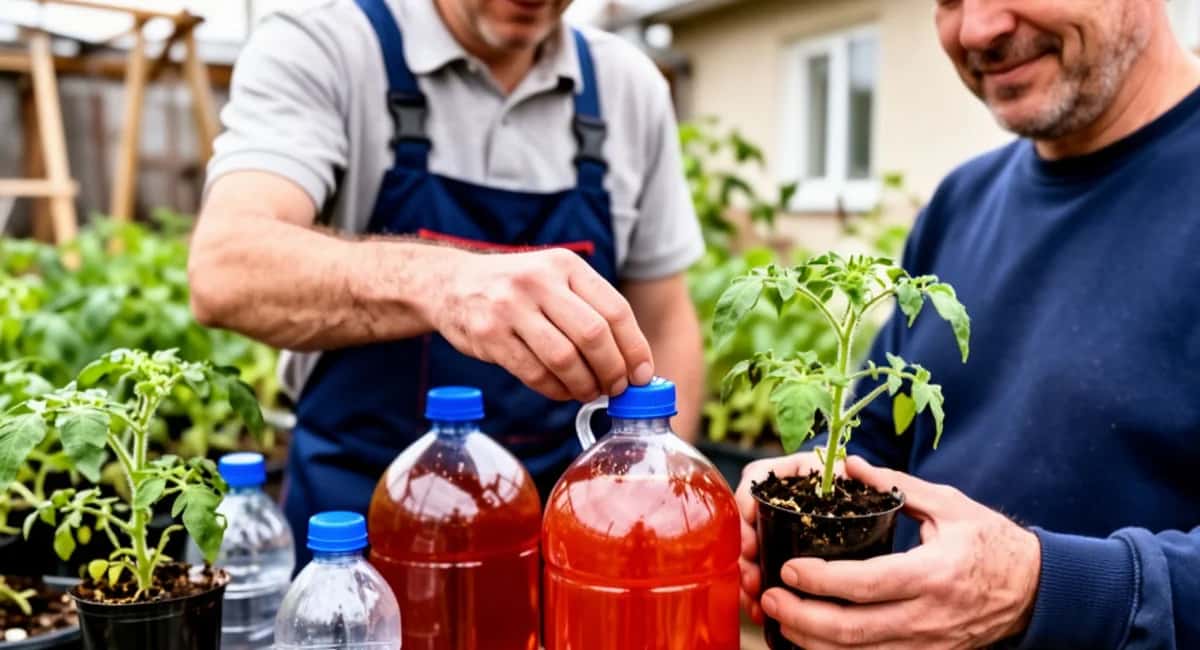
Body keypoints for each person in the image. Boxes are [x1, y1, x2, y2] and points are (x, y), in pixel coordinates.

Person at [738, 1, 1200, 648]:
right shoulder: (961, 202)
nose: (977, 29)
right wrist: (805, 487)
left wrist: (1041, 589)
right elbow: (878, 443)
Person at [188, 0, 704, 566]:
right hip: (360, 539)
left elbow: (664, 317)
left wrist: (662, 499)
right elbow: (226, 268)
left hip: (567, 532)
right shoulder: (326, 47)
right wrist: (444, 282)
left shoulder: (626, 86)